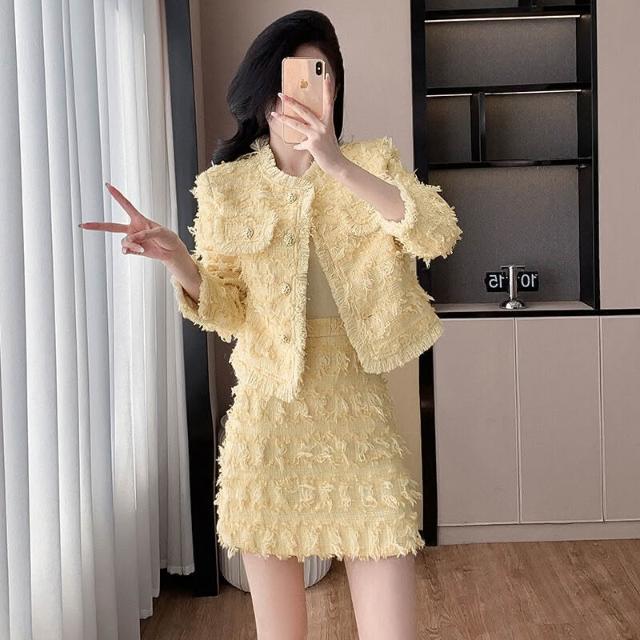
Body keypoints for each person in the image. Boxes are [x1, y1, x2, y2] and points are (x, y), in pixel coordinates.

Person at [80, 9, 462, 640]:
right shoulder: (224, 188)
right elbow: (229, 310)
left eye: (320, 75)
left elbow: (437, 233)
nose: (303, 94)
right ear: (263, 93)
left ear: (334, 88)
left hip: (358, 416)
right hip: (267, 422)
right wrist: (179, 261)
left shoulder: (372, 162)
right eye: (291, 79)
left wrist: (336, 164)